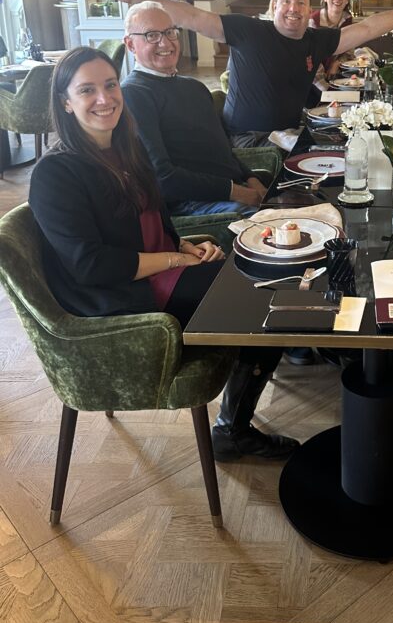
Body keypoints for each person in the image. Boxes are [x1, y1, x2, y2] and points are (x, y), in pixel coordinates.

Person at [28, 47, 298, 462]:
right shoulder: (55, 173)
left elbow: (153, 215)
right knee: (265, 297)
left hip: (156, 270)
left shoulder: (124, 145)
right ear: (65, 102)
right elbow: (90, 265)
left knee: (264, 277)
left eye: (110, 85)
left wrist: (182, 245)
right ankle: (233, 430)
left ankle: (245, 408)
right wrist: (175, 261)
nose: (104, 98)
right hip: (119, 298)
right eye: (86, 90)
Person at [96, 0, 393, 147]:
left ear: (309, 8)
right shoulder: (248, 31)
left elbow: (368, 28)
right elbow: (189, 15)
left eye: (300, 3)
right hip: (251, 139)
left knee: (350, 145)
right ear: (274, 6)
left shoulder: (316, 39)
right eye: (286, 2)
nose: (293, 9)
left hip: (290, 133)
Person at [120, 2, 268, 217]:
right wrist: (236, 192)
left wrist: (252, 179)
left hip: (233, 191)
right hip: (193, 203)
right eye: (152, 35)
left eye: (170, 32)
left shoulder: (195, 87)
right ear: (131, 45)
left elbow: (225, 152)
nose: (165, 42)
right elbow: (163, 177)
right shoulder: (134, 94)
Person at [309, 0, 354, 81]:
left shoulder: (347, 20)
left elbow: (349, 51)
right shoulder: (314, 21)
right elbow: (311, 58)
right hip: (314, 78)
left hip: (339, 76)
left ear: (347, 0)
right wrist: (326, 83)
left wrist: (336, 63)